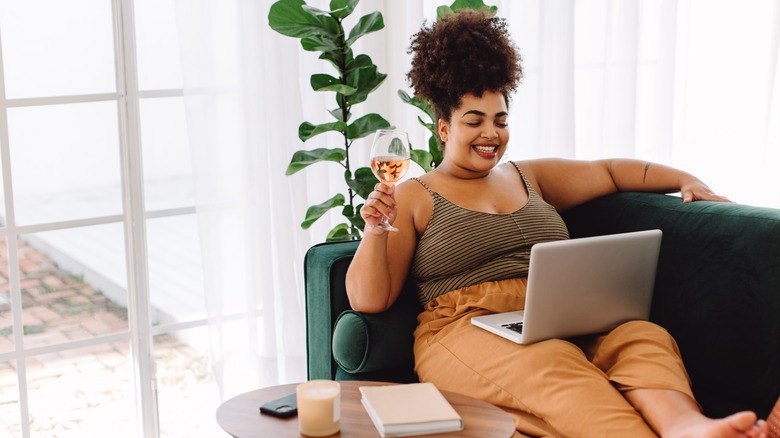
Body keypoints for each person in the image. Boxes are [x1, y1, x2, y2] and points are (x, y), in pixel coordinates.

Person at [345, 8, 769, 438]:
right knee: (552, 364)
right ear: (443, 128)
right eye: (474, 121)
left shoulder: (529, 176)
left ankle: (687, 427)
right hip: (462, 328)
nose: (490, 133)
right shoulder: (416, 193)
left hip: (555, 316)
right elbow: (369, 299)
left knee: (641, 336)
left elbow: (609, 171)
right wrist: (377, 228)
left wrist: (684, 178)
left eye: (500, 120)